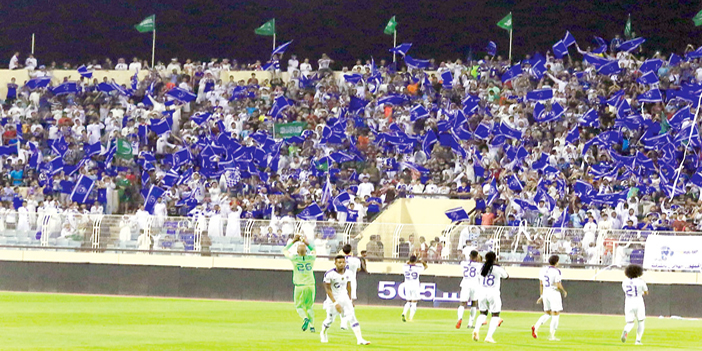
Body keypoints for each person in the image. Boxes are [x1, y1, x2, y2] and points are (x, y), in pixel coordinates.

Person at [320, 255, 370, 345]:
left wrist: (350, 300)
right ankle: (323, 332)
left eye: (343, 262)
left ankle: (360, 339)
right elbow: (327, 289)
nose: (341, 264)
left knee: (352, 317)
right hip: (333, 299)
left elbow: (348, 286)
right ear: (335, 263)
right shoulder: (329, 274)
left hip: (344, 297)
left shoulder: (349, 273)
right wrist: (335, 303)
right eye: (339, 262)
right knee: (330, 320)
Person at [283, 234, 317, 333]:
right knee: (310, 306)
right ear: (306, 251)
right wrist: (306, 243)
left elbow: (285, 250)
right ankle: (312, 326)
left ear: (297, 252)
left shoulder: (294, 258)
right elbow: (314, 250)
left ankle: (305, 318)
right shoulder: (311, 258)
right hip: (311, 285)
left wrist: (294, 241)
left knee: (298, 306)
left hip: (299, 286)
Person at [472, 251, 508, 343]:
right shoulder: (497, 268)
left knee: (483, 314)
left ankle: (476, 329)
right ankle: (489, 336)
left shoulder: (481, 268)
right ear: (495, 258)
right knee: (495, 315)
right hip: (493, 293)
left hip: (482, 293)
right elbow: (506, 276)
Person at [532, 255, 568, 340]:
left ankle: (535, 327)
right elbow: (558, 284)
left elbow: (541, 283)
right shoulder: (557, 271)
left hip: (546, 293)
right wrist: (564, 291)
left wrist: (542, 295)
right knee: (556, 314)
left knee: (547, 313)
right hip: (554, 293)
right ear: (557, 262)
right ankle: (552, 336)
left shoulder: (543, 270)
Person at [621, 264, 648, 345]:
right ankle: (638, 340)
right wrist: (642, 293)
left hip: (628, 303)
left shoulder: (625, 281)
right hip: (638, 302)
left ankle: (626, 330)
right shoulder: (640, 281)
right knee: (641, 321)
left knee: (630, 323)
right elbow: (646, 292)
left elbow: (625, 291)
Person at [456, 250, 482, 329]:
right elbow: (480, 262)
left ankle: (459, 318)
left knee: (462, 303)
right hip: (474, 284)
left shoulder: (463, 263)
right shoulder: (479, 265)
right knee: (474, 303)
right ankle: (470, 323)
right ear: (476, 256)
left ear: (469, 256)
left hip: (465, 283)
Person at [340, 244, 361, 330]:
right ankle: (346, 323)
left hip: (342, 281)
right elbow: (359, 269)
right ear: (351, 250)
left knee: (343, 302)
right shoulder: (356, 260)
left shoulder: (340, 260)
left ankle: (343, 322)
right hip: (352, 281)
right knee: (349, 303)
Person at [401, 255, 427, 322]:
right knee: (414, 302)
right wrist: (421, 261)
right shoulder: (418, 267)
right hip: (415, 285)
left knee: (408, 301)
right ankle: (410, 318)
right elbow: (426, 266)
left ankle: (404, 313)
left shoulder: (405, 267)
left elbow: (407, 263)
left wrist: (412, 261)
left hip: (407, 285)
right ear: (415, 261)